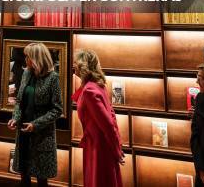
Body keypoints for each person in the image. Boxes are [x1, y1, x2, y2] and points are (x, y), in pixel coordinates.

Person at [7, 42, 63, 186]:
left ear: (37, 58)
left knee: (41, 179)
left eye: (28, 57)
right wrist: (15, 118)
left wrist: (35, 125)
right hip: (24, 133)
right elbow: (19, 100)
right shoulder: (26, 73)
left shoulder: (53, 78)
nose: (25, 60)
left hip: (42, 136)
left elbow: (57, 109)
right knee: (24, 176)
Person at [72, 49, 124, 187]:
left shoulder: (90, 90)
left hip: (98, 146)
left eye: (76, 62)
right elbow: (111, 117)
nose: (73, 65)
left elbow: (107, 123)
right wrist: (117, 144)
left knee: (99, 181)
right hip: (100, 143)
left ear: (84, 65)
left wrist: (116, 149)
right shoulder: (97, 86)